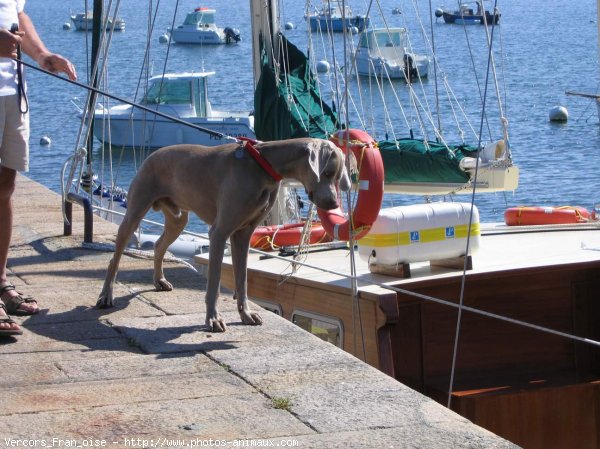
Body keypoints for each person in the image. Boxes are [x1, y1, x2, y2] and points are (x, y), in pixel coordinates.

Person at [0, 0, 76, 337]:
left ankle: (0, 282)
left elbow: (17, 15)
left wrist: (42, 55)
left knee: (4, 190)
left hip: (12, 89)